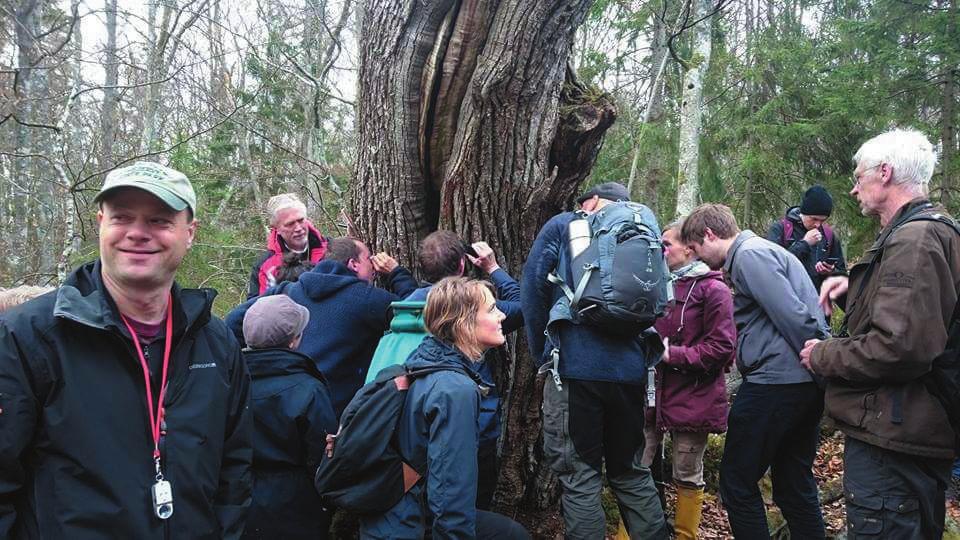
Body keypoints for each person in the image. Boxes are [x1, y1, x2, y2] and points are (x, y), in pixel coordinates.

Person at [0, 161, 252, 538]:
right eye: (122, 217)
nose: (137, 233)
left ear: (190, 233)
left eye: (159, 221)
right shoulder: (27, 336)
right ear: (101, 222)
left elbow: (235, 472)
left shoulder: (216, 342)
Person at [800, 129, 960, 539]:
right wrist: (853, 288)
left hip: (894, 438)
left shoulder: (916, 239)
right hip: (906, 431)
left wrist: (823, 354)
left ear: (885, 172)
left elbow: (899, 347)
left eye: (859, 177)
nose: (854, 189)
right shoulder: (930, 231)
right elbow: (921, 315)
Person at [521, 181, 667, 539]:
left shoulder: (565, 225)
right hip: (632, 370)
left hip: (576, 369)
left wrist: (544, 350)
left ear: (593, 201)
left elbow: (533, 287)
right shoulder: (645, 232)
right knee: (631, 472)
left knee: (580, 476)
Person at [680, 203, 829, 539]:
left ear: (710, 234)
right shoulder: (757, 253)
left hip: (775, 385)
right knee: (793, 484)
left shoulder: (749, 255)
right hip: (798, 385)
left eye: (696, 248)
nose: (697, 257)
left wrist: (821, 360)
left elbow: (792, 313)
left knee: (736, 482)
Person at [360, 277, 529, 540]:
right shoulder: (454, 389)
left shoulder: (424, 361)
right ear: (464, 323)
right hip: (408, 523)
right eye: (492, 309)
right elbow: (450, 490)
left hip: (389, 513)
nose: (502, 315)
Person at [227, 236, 418, 417]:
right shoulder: (366, 299)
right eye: (369, 259)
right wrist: (396, 273)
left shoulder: (288, 290)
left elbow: (232, 323)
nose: (374, 268)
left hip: (273, 406)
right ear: (354, 264)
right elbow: (415, 313)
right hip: (335, 419)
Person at [640, 221, 736, 540]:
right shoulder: (654, 283)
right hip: (651, 395)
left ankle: (685, 536)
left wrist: (673, 356)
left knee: (687, 474)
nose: (660, 250)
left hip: (694, 397)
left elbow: (722, 349)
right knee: (637, 468)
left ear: (689, 248)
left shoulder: (714, 289)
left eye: (666, 244)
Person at [240, 295, 337, 540]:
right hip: (297, 507)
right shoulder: (308, 389)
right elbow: (323, 457)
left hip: (238, 501)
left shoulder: (224, 384)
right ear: (294, 341)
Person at [766, 185, 847, 292]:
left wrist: (831, 271)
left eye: (822, 220)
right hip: (786, 301)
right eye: (814, 219)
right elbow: (771, 266)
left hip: (818, 303)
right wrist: (805, 243)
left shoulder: (828, 235)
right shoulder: (780, 229)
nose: (818, 225)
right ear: (803, 212)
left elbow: (842, 274)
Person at [247, 193, 328, 298]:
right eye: (290, 224)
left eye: (301, 220)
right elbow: (256, 306)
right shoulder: (265, 266)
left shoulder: (331, 249)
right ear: (276, 229)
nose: (298, 228)